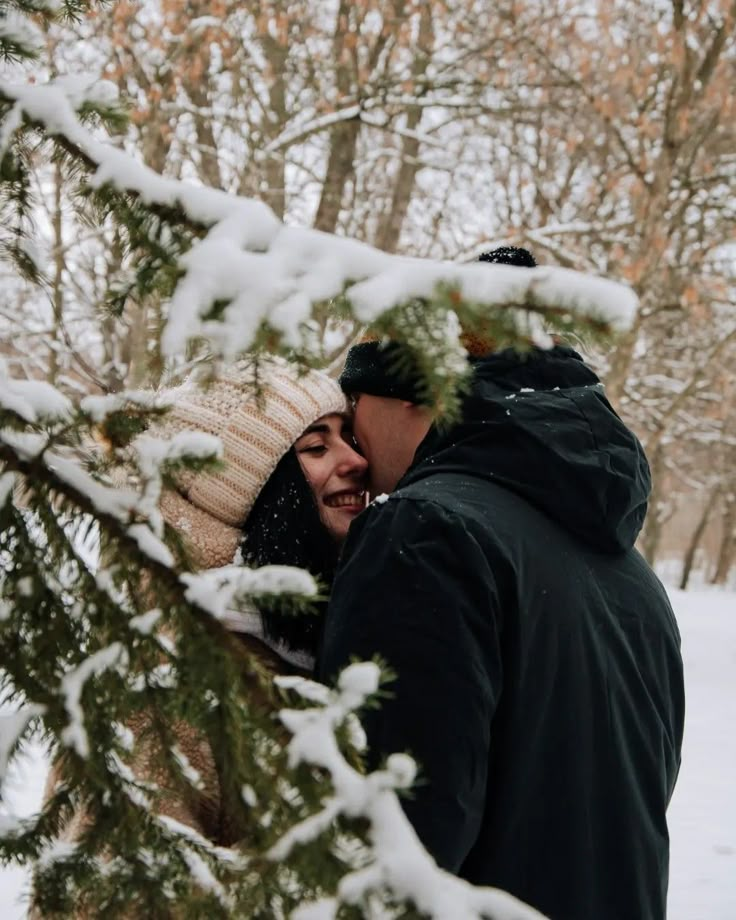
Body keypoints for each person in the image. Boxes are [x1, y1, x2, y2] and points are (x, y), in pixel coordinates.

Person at [318, 249, 685, 920]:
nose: (355, 448)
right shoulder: (632, 578)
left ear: (411, 391)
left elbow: (393, 842)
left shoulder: (423, 533)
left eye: (353, 403)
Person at [40, 358, 367, 857]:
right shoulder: (166, 673)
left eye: (351, 439)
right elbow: (116, 893)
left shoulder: (302, 629)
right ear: (248, 491)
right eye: (317, 447)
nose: (355, 460)